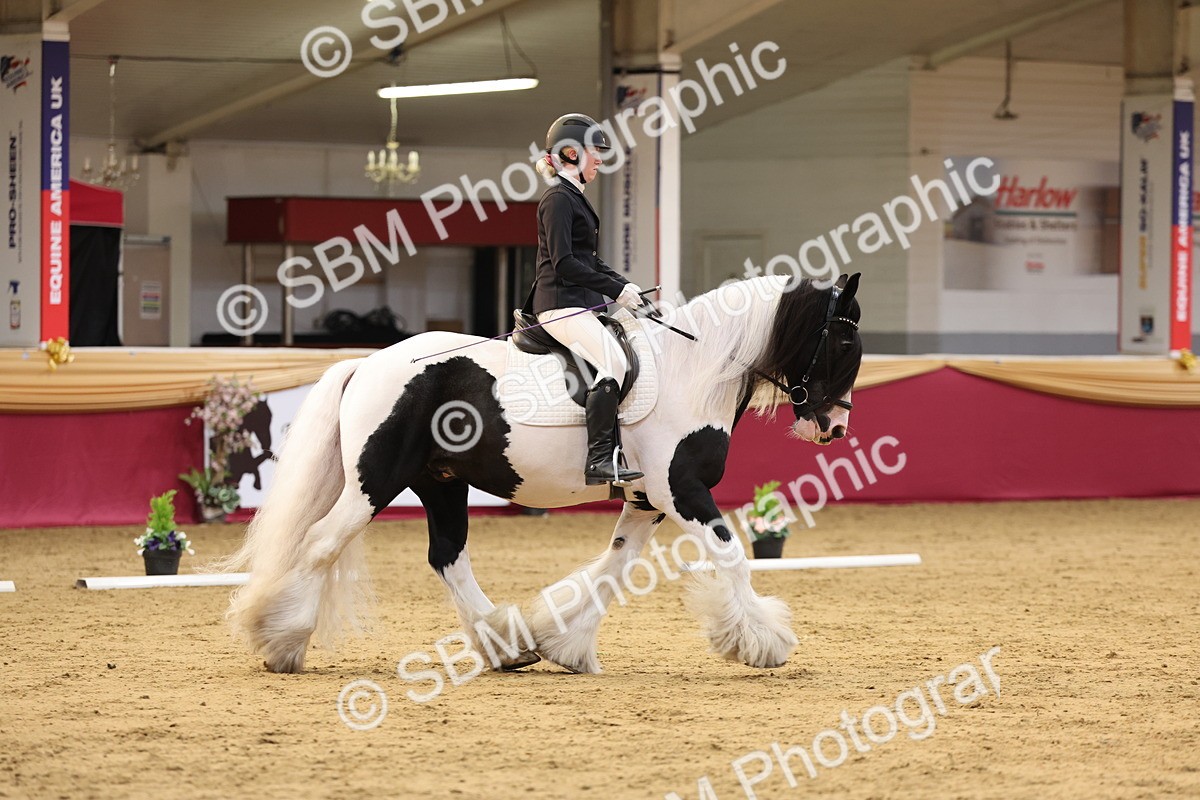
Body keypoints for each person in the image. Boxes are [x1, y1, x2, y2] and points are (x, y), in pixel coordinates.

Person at [530, 112, 653, 485]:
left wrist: (625, 286)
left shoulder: (575, 198)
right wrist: (614, 290)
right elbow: (565, 262)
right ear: (570, 154)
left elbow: (589, 260)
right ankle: (600, 458)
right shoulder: (558, 200)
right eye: (593, 152)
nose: (599, 159)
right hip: (559, 304)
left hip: (578, 303)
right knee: (613, 361)